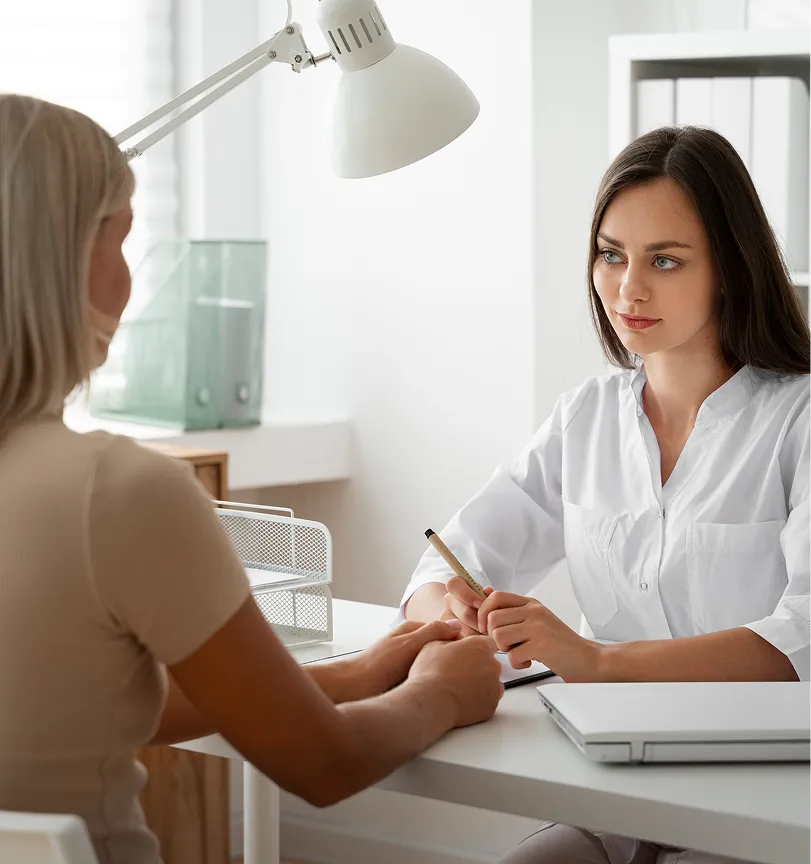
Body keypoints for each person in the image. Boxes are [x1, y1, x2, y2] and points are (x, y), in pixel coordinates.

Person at [0, 93, 504, 864]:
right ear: (56, 255)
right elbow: (323, 765)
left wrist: (355, 673)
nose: (131, 284)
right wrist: (441, 692)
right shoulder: (114, 491)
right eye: (121, 241)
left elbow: (81, 707)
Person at [402, 125, 811, 864]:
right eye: (610, 254)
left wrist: (594, 659)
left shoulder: (797, 419)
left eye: (664, 260)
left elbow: (802, 638)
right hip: (610, 789)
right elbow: (444, 564)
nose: (629, 288)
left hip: (766, 801)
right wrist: (455, 612)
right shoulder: (586, 417)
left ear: (730, 268)